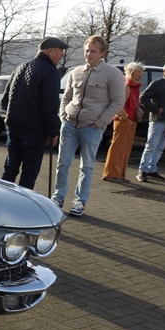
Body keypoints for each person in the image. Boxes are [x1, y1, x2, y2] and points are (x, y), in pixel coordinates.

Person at [52, 35, 125, 217]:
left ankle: (80, 201)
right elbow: (67, 96)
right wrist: (63, 115)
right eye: (86, 50)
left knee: (87, 166)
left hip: (92, 127)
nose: (88, 54)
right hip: (70, 124)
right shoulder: (76, 72)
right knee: (63, 163)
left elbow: (117, 101)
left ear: (102, 53)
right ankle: (58, 198)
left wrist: (99, 123)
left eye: (93, 51)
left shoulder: (113, 74)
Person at [0, 36, 67, 189]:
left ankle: (2, 197)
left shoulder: (21, 66)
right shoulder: (50, 72)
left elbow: (5, 99)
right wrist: (52, 132)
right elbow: (49, 106)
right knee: (29, 172)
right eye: (60, 51)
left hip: (13, 127)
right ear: (51, 51)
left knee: (10, 167)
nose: (62, 54)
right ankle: (22, 201)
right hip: (34, 131)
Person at [102, 62, 145, 183]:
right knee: (118, 148)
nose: (141, 74)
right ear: (131, 72)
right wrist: (124, 116)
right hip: (123, 120)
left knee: (125, 149)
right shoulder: (125, 86)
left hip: (131, 120)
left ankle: (120, 174)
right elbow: (118, 103)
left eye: (141, 72)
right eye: (138, 72)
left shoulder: (135, 86)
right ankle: (111, 173)